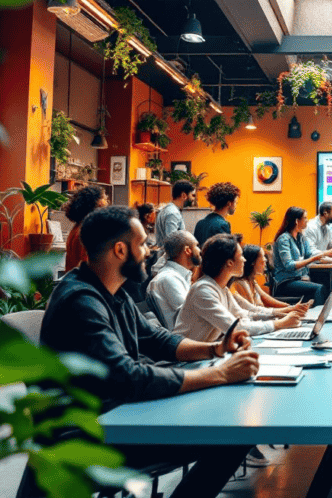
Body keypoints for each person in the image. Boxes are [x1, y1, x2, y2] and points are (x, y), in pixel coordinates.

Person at [38, 206, 257, 498]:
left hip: (122, 415)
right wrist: (220, 374)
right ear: (119, 250)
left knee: (231, 428)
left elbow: (160, 340)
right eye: (142, 244)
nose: (149, 251)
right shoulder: (81, 301)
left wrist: (216, 348)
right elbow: (130, 378)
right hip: (91, 435)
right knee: (234, 434)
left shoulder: (112, 291)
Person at [175, 233, 304, 341]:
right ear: (229, 263)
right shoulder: (203, 291)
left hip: (203, 355)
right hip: (187, 362)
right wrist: (279, 323)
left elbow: (243, 315)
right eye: (241, 255)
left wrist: (280, 317)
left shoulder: (221, 289)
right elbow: (235, 327)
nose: (244, 260)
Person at [272, 207, 332, 307]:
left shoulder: (301, 237)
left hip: (298, 279)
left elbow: (309, 254)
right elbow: (289, 265)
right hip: (285, 282)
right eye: (305, 218)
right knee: (319, 288)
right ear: (297, 221)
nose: (307, 220)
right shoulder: (284, 239)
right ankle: (317, 317)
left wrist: (326, 254)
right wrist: (314, 258)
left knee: (325, 284)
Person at [231, 244, 311, 313]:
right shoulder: (241, 283)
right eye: (262, 256)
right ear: (252, 262)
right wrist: (289, 309)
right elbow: (254, 312)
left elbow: (265, 297)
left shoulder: (251, 281)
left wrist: (290, 307)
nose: (265, 259)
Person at [147, 231, 201, 327]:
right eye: (197, 246)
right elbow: (193, 316)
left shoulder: (177, 277)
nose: (199, 250)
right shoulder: (169, 279)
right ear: (188, 250)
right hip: (186, 339)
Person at [63, 185, 108, 272]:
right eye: (104, 199)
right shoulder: (89, 231)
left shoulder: (77, 228)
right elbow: (88, 268)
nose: (106, 204)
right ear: (97, 205)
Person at [194, 181, 240, 247]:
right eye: (235, 202)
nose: (236, 205)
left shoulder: (200, 223)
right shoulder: (222, 225)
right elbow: (225, 252)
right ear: (229, 203)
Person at [155, 180, 196, 249]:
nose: (193, 199)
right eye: (193, 195)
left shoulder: (165, 210)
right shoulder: (173, 213)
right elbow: (172, 243)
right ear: (184, 195)